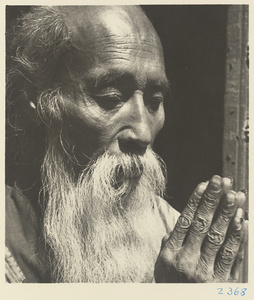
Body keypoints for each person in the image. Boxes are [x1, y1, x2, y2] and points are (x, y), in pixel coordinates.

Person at [5, 5, 248, 283]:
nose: (143, 133)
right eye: (111, 98)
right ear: (38, 101)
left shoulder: (173, 234)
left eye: (155, 102)